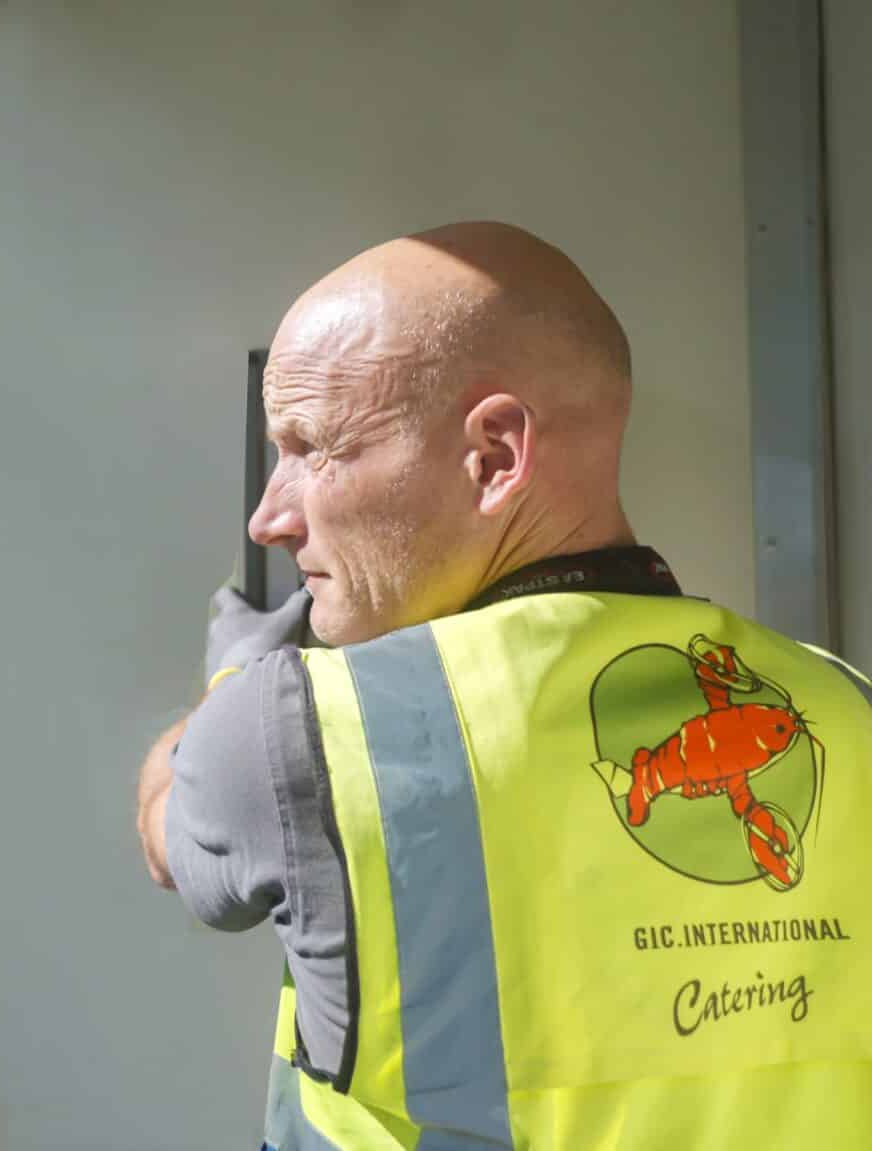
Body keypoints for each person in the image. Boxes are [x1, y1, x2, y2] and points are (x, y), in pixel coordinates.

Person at [134, 221, 872, 1148]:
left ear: (493, 455)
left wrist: (234, 677)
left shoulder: (300, 731)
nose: (269, 516)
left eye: (312, 446)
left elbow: (167, 828)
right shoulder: (847, 707)